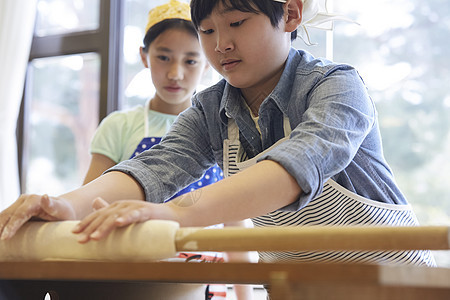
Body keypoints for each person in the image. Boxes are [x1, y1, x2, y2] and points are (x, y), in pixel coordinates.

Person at [0, 0, 436, 283]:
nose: (221, 44)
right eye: (206, 31)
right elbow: (155, 167)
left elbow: (296, 166)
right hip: (300, 286)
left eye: (237, 23)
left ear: (291, 15)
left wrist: (173, 212)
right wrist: (65, 207)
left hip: (395, 282)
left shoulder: (337, 87)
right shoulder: (212, 109)